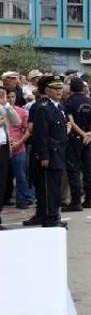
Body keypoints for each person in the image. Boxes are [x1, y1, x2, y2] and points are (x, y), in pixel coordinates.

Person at [25, 75, 67, 228]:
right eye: (55, 88)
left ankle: (54, 215)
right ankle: (50, 218)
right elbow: (41, 134)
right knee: (49, 188)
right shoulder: (43, 109)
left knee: (55, 188)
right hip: (49, 153)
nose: (59, 91)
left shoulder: (60, 108)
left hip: (59, 153)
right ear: (47, 91)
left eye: (60, 88)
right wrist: (44, 155)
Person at [64, 77, 91, 211]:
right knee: (88, 169)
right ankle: (89, 199)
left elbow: (71, 122)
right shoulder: (89, 101)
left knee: (74, 170)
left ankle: (76, 202)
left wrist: (83, 134)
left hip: (76, 138)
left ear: (71, 88)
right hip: (88, 139)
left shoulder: (69, 102)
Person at [7, 88, 33, 210]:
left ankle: (22, 199)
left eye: (12, 96)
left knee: (21, 175)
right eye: (7, 97)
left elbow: (28, 130)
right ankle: (5, 198)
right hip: (4, 146)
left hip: (18, 147)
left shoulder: (22, 112)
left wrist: (19, 142)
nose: (10, 99)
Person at [0, 87, 21, 229]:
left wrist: (6, 104)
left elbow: (17, 121)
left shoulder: (4, 107)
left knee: (2, 183)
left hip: (3, 148)